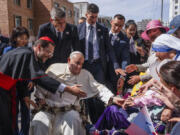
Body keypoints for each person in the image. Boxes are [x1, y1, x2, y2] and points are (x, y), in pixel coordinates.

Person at [0, 37, 86, 135]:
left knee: (7, 123)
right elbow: (40, 78)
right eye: (48, 52)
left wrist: (25, 95)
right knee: (4, 123)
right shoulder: (27, 54)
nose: (49, 56)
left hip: (6, 91)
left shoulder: (30, 55)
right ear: (39, 47)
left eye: (51, 53)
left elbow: (20, 76)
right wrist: (67, 89)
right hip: (2, 90)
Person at [30, 51, 124, 135]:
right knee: (39, 122)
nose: (79, 67)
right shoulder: (55, 68)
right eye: (77, 63)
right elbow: (43, 84)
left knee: (73, 119)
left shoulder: (85, 74)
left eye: (81, 64)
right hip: (48, 109)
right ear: (69, 60)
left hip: (68, 111)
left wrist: (112, 98)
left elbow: (98, 88)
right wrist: (40, 97)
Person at [77, 3, 122, 123]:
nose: (94, 20)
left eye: (96, 17)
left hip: (98, 67)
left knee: (100, 93)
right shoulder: (78, 29)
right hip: (84, 66)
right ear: (86, 15)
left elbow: (109, 50)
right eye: (91, 17)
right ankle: (92, 121)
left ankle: (100, 122)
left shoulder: (102, 29)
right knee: (87, 95)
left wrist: (116, 66)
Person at [2, 26, 32, 135]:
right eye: (21, 38)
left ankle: (25, 133)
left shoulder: (29, 50)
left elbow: (31, 67)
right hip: (12, 86)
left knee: (26, 112)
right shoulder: (8, 50)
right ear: (14, 38)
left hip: (25, 85)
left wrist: (31, 80)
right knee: (14, 111)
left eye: (26, 38)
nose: (24, 40)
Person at [125, 20, 168, 85]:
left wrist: (141, 78)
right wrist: (137, 67)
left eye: (154, 31)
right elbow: (150, 63)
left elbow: (162, 70)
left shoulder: (166, 46)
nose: (152, 34)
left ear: (162, 31)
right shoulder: (153, 45)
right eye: (149, 32)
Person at [108, 14, 130, 93]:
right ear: (111, 22)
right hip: (100, 71)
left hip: (115, 74)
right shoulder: (102, 34)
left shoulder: (125, 39)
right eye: (116, 25)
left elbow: (125, 59)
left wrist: (122, 77)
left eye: (120, 26)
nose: (117, 28)